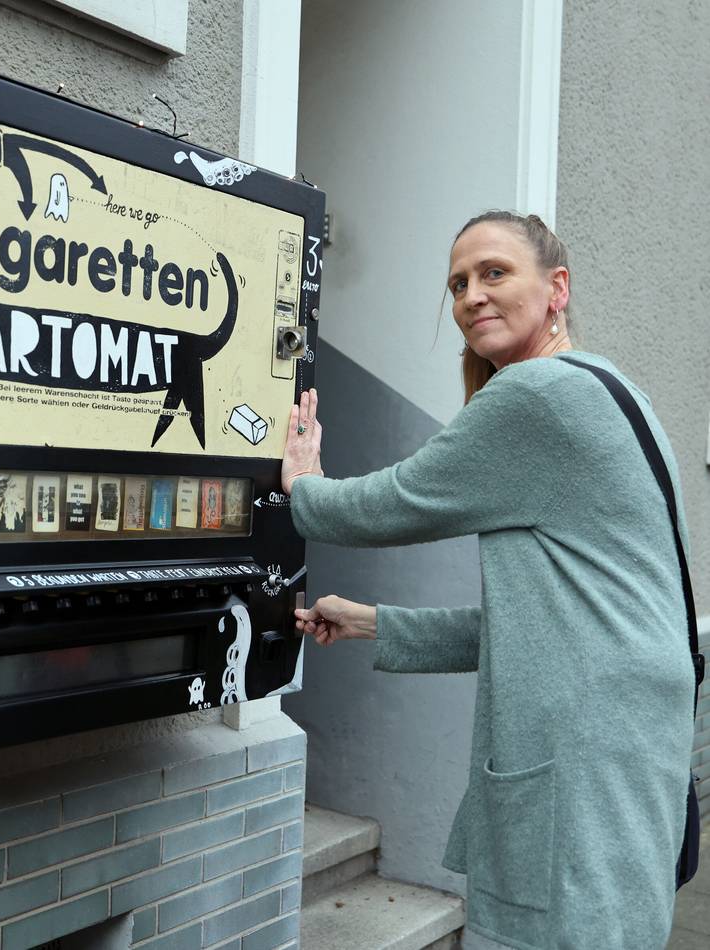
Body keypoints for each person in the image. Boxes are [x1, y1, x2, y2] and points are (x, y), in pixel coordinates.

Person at [282, 211, 694, 950]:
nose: (471, 295)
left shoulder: (535, 395)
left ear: (556, 287)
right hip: (627, 763)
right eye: (458, 283)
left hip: (577, 775)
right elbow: (542, 627)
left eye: (494, 273)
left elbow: (395, 502)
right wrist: (377, 621)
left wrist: (304, 486)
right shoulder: (615, 391)